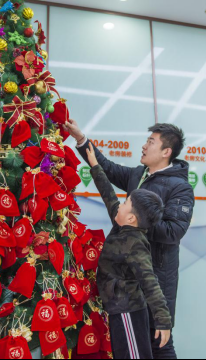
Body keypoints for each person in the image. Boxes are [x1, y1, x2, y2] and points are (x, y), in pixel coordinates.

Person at [64, 120, 194, 359]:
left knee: (160, 344)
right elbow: (107, 172)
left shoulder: (180, 188)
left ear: (166, 152)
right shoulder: (139, 174)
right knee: (137, 346)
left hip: (154, 275)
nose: (144, 146)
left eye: (151, 142)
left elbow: (174, 230)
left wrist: (135, 223)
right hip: (126, 282)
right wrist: (82, 140)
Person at [85, 143, 172, 359]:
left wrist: (163, 321)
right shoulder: (122, 223)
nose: (120, 205)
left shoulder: (135, 244)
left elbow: (150, 283)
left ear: (131, 217)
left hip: (127, 312)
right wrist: (95, 165)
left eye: (125, 203)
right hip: (118, 310)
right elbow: (109, 196)